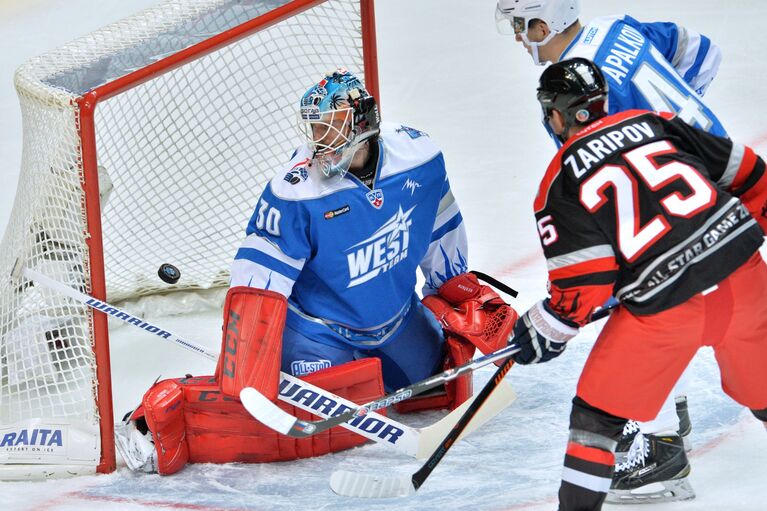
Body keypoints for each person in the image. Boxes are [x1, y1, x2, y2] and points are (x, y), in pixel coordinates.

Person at [114, 68, 519, 475]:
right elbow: (256, 283)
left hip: (396, 322)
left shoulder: (420, 159)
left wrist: (455, 288)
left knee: (436, 384)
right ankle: (153, 419)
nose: (320, 143)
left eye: (330, 128)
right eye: (315, 130)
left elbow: (440, 227)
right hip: (318, 334)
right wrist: (248, 367)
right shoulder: (294, 190)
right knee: (305, 429)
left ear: (363, 124)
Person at [509, 57, 767, 511]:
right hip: (746, 285)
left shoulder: (560, 178)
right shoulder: (655, 121)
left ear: (555, 114)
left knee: (596, 420)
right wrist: (732, 242)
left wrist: (543, 329)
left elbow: (582, 288)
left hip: (667, 315)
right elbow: (752, 175)